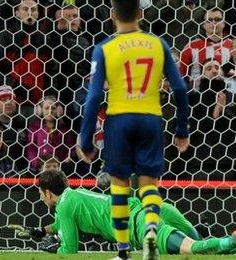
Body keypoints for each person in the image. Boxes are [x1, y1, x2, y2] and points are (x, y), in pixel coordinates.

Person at [76, 1, 190, 260]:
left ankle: (124, 251)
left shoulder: (104, 48)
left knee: (119, 187)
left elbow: (93, 97)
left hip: (119, 120)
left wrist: (85, 139)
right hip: (151, 118)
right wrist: (181, 129)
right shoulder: (158, 44)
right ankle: (151, 227)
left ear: (113, 16)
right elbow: (180, 89)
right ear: (141, 14)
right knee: (148, 184)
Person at [8, 170, 236, 255]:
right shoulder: (74, 196)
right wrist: (43, 231)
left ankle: (232, 239)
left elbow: (70, 249)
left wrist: (48, 248)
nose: (40, 198)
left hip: (139, 224)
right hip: (155, 208)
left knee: (191, 249)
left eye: (40, 193)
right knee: (201, 247)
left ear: (48, 193)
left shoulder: (64, 206)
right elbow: (64, 224)